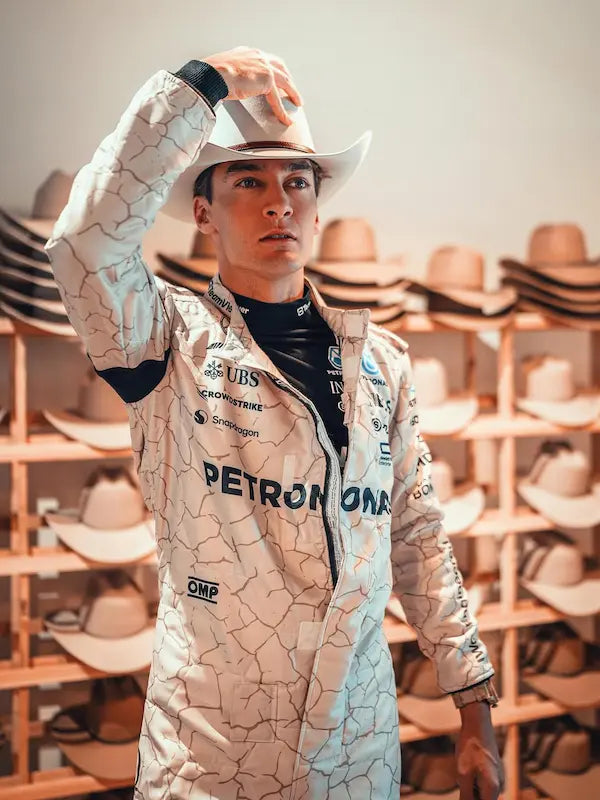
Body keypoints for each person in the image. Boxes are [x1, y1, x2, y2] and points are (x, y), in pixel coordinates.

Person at [45, 46, 503, 800]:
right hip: (208, 758)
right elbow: (84, 244)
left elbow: (413, 530)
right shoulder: (167, 340)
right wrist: (198, 88)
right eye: (248, 181)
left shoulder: (381, 362)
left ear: (318, 208)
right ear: (203, 212)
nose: (278, 202)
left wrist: (472, 698)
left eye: (297, 181)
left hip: (357, 751)